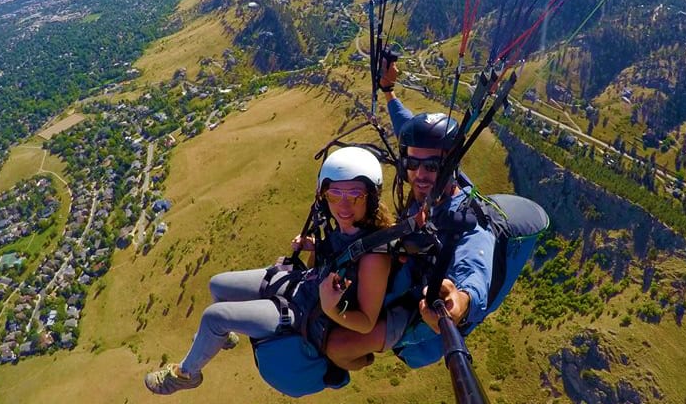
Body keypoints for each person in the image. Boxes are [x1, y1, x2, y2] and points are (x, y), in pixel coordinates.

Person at [144, 146, 395, 394]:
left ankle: (186, 374)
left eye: (355, 195)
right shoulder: (344, 228)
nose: (343, 204)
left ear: (371, 197)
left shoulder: (375, 255)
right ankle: (220, 338)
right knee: (217, 284)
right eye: (334, 194)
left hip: (307, 314)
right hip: (302, 285)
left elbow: (365, 324)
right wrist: (315, 247)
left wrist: (332, 308)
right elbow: (341, 255)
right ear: (324, 196)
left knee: (214, 317)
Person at [325, 60, 496, 370]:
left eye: (432, 167)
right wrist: (388, 91)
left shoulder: (468, 223)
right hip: (400, 271)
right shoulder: (426, 182)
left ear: (450, 167)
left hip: (415, 305)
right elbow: (406, 127)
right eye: (412, 165)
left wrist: (458, 303)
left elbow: (475, 274)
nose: (419, 174)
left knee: (337, 347)